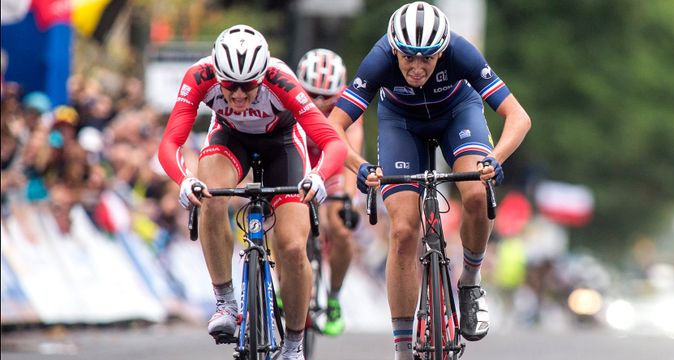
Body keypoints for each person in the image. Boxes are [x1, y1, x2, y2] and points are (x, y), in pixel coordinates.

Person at [326, 2, 531, 359]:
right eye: (408, 59)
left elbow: (518, 116)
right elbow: (334, 125)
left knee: (477, 194)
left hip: (457, 114)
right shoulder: (379, 60)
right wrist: (359, 166)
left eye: (428, 59)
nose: (417, 68)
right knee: (403, 231)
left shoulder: (461, 51)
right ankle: (404, 350)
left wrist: (495, 158)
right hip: (400, 124)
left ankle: (469, 281)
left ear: (442, 51)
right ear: (394, 49)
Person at [158, 25, 347, 359]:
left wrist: (318, 176)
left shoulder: (281, 80)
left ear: (263, 75)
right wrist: (184, 180)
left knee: (291, 245)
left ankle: (293, 345)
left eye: (249, 86)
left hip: (282, 144)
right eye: (230, 86)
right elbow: (171, 141)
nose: (240, 95)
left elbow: (332, 142)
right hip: (230, 139)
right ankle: (226, 302)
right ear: (217, 75)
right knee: (211, 194)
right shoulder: (199, 76)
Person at [295, 48, 364, 336]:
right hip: (299, 157)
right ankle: (286, 282)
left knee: (341, 227)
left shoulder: (349, 100)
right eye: (313, 94)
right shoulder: (288, 92)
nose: (320, 102)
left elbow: (352, 149)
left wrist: (346, 200)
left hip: (333, 162)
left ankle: (333, 297)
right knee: (287, 221)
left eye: (328, 97)